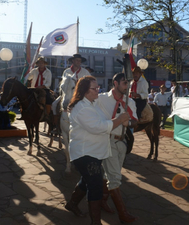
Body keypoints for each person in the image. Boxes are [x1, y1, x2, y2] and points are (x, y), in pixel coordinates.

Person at [65, 75, 129, 225]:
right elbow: (98, 127)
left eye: (98, 87)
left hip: (94, 151)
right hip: (85, 153)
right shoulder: (82, 108)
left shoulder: (93, 103)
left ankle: (72, 204)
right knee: (95, 186)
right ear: (85, 91)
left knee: (86, 181)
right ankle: (96, 222)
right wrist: (119, 120)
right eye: (95, 88)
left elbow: (106, 114)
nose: (98, 91)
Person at [98, 72, 139, 223]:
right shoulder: (101, 99)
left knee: (108, 174)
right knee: (115, 178)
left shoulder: (130, 102)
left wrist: (128, 123)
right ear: (115, 83)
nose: (127, 86)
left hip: (121, 142)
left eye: (127, 83)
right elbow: (87, 107)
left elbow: (136, 121)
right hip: (106, 141)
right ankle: (123, 214)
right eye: (124, 83)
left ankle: (99, 200)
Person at [52, 54, 90, 123]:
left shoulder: (85, 72)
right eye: (77, 60)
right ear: (73, 61)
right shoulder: (66, 71)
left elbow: (89, 84)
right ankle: (56, 123)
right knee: (54, 104)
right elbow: (63, 83)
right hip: (67, 93)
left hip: (81, 95)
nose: (78, 62)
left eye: (80, 61)